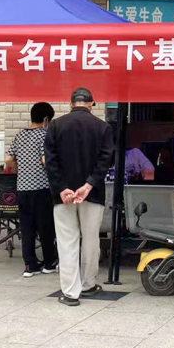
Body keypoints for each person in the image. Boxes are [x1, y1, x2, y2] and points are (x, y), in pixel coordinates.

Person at [44, 88, 115, 307]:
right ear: (92, 103)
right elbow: (106, 160)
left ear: (70, 103)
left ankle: (70, 293)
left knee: (67, 242)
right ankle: (88, 284)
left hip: (63, 196)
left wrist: (62, 188)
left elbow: (50, 161)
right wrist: (89, 184)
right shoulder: (103, 127)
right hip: (92, 194)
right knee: (91, 240)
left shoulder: (56, 125)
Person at [6, 102, 58, 279]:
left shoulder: (20, 135)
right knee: (45, 227)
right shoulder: (44, 135)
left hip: (22, 189)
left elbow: (8, 159)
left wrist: (21, 166)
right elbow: (45, 160)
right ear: (46, 119)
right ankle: (49, 263)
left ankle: (30, 265)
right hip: (41, 188)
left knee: (27, 228)